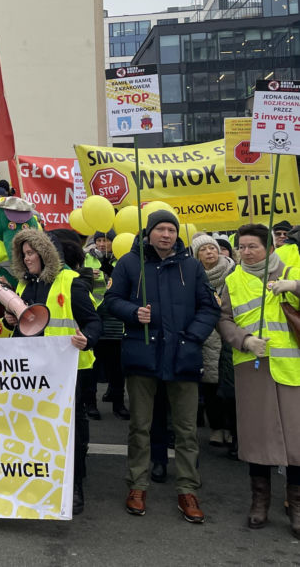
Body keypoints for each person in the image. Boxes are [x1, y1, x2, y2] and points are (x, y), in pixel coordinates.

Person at [104, 209, 220, 523]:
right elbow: (110, 300)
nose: (166, 235)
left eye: (171, 230)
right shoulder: (130, 263)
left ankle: (187, 489)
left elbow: (209, 307)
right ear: (149, 232)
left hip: (183, 356)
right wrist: (132, 311)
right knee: (139, 427)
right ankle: (137, 485)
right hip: (143, 355)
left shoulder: (192, 265)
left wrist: (193, 337)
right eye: (160, 229)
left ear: (176, 233)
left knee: (185, 430)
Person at [1, 228, 101, 514]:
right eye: (24, 254)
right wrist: (11, 320)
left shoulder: (71, 282)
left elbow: (94, 321)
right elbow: (22, 326)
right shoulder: (23, 285)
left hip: (70, 370)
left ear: (46, 254)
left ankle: (75, 484)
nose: (27, 258)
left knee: (71, 431)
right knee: (36, 427)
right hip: (35, 371)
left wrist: (88, 339)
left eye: (32, 253)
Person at [217, 223, 300, 537]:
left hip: (292, 369)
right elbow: (223, 319)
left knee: (296, 440)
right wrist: (244, 339)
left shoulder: (292, 269)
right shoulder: (233, 279)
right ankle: (260, 501)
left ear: (269, 247)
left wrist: (293, 286)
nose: (247, 252)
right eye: (243, 246)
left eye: (253, 246)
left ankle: (296, 504)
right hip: (252, 366)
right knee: (259, 439)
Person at [191, 232, 236, 448]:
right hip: (206, 335)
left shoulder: (233, 272)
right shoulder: (195, 276)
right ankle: (217, 427)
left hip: (228, 334)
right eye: (203, 249)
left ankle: (231, 428)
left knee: (229, 387)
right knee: (210, 385)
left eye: (212, 248)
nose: (209, 252)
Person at [84, 231, 127, 419]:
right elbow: (75, 279)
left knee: (117, 366)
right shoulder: (87, 257)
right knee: (93, 364)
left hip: (116, 319)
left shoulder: (123, 259)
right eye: (99, 240)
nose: (102, 244)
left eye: (107, 240)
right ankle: (90, 404)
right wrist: (86, 275)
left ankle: (118, 404)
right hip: (94, 316)